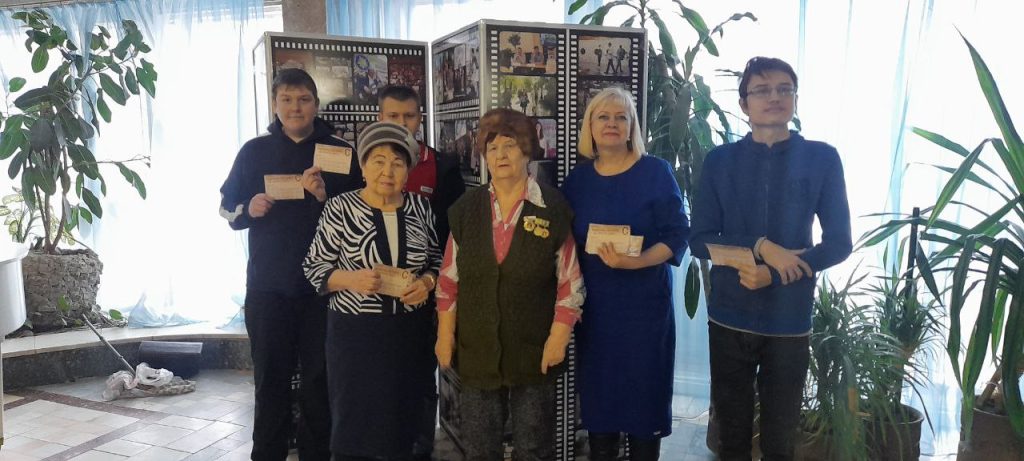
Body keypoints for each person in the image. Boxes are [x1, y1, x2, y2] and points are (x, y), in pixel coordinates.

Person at [688, 56, 852, 460]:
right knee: (732, 439)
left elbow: (839, 243)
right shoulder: (720, 161)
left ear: (795, 98)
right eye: (761, 90)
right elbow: (700, 241)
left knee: (780, 440)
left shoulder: (822, 158)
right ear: (744, 104)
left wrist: (775, 274)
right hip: (728, 316)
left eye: (784, 89)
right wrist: (761, 247)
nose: (774, 97)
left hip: (789, 319)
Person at [219, 68, 362, 461]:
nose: (295, 107)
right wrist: (248, 208)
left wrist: (325, 197)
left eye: (303, 99)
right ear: (275, 104)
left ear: (315, 104)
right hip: (268, 289)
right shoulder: (254, 151)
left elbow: (359, 220)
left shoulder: (340, 152)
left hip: (325, 290)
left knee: (320, 382)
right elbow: (226, 207)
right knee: (270, 382)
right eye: (286, 99)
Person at [435, 108, 585, 461]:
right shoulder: (466, 208)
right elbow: (448, 281)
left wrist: (558, 339)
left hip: (534, 348)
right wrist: (444, 336)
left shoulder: (552, 207)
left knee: (534, 446)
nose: (500, 155)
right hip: (476, 348)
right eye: (492, 148)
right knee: (480, 446)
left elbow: (571, 283)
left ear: (527, 150)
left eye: (510, 145)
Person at [561, 87, 689, 460]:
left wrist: (638, 260)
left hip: (644, 313)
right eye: (603, 117)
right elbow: (565, 242)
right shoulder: (578, 181)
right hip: (596, 313)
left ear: (632, 125)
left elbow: (678, 234)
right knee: (601, 410)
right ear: (590, 126)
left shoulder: (655, 172)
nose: (612, 123)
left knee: (644, 407)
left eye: (621, 117)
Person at [303, 121, 441, 461]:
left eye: (397, 163)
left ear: (408, 171)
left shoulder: (421, 207)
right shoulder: (340, 207)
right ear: (363, 167)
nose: (387, 171)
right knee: (356, 425)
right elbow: (314, 267)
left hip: (410, 334)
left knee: (407, 422)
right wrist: (351, 280)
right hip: (356, 336)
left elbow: (437, 262)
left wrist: (426, 283)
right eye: (378, 161)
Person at [377, 84, 465, 455]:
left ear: (420, 118)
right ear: (380, 117)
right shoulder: (362, 163)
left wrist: (432, 280)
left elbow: (454, 234)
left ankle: (420, 447)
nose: (402, 123)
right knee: (377, 377)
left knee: (421, 375)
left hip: (426, 292)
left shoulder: (442, 166)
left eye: (409, 116)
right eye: (393, 116)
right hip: (373, 294)